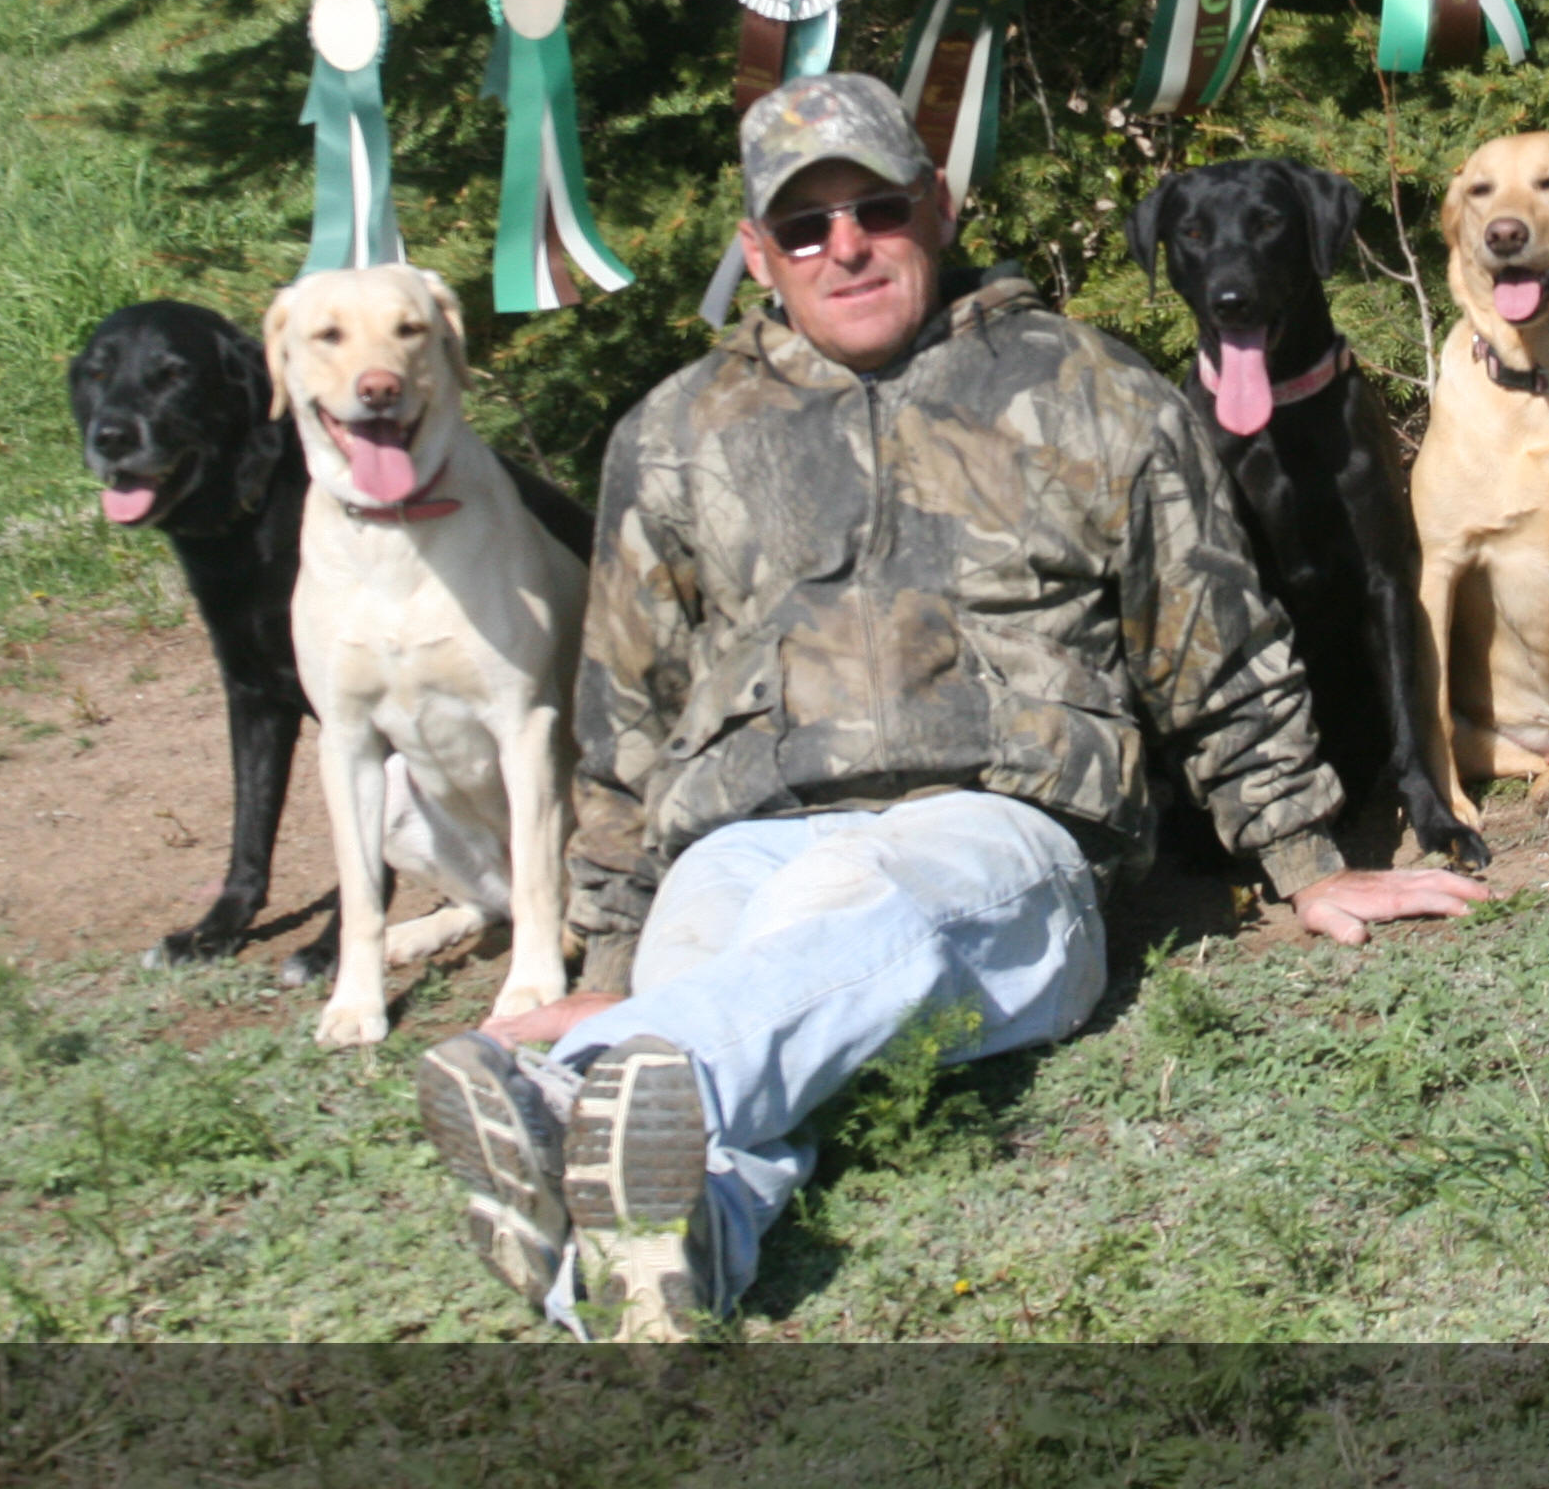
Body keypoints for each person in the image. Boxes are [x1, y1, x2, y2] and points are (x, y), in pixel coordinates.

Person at [414, 72, 1490, 1340]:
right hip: (741, 836)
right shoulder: (676, 434)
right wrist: (608, 953)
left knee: (866, 924)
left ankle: (582, 1085)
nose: (847, 245)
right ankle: (665, 1256)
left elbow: (1216, 638)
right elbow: (625, 709)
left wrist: (1305, 856)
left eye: (874, 205)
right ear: (758, 254)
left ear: (937, 205)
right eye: (805, 227)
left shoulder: (1091, 390)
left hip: (995, 832)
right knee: (746, 1002)